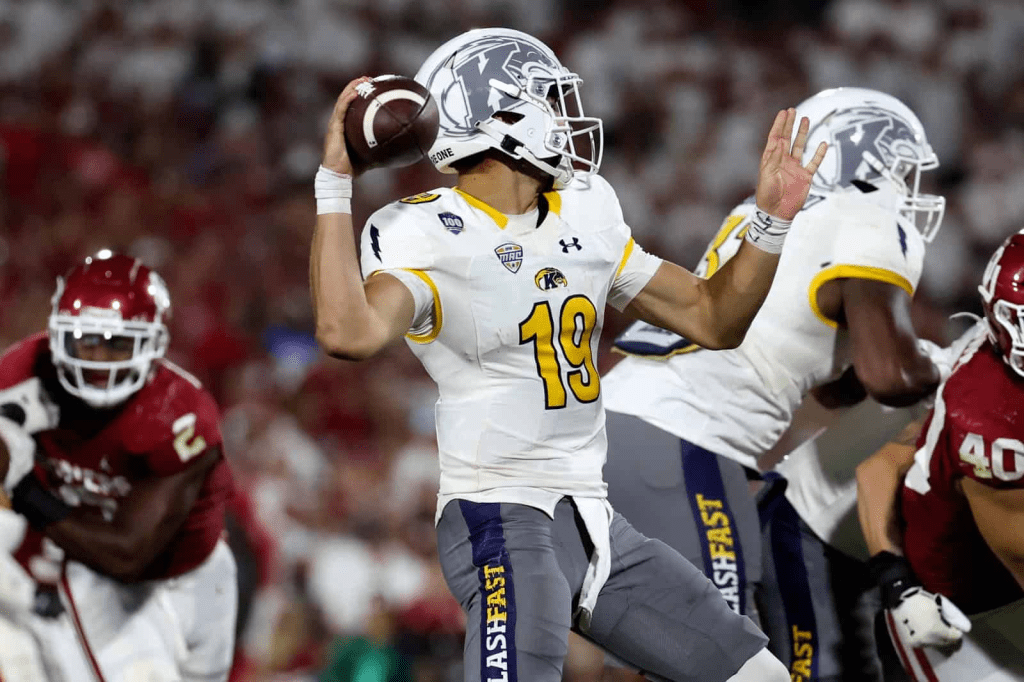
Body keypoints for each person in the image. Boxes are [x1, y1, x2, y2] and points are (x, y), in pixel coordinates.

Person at [309, 27, 826, 682]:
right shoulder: (426, 231)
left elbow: (713, 318)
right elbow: (347, 333)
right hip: (498, 514)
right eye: (544, 100)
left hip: (594, 520)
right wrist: (335, 184)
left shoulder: (585, 209)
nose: (561, 117)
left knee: (758, 676)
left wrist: (771, 222)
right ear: (495, 120)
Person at [601, 87, 947, 681]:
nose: (906, 188)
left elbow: (835, 384)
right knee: (733, 664)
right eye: (898, 168)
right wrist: (949, 361)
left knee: (663, 659)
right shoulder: (865, 217)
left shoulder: (768, 212)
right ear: (863, 160)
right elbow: (890, 375)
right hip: (683, 444)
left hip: (618, 425)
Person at [0, 251, 237, 682]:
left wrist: (22, 487)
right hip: (92, 570)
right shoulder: (23, 371)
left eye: (116, 343)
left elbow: (130, 553)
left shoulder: (178, 412)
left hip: (191, 572)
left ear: (154, 343)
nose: (97, 361)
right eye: (85, 340)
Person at [856, 230, 1024, 682]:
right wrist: (898, 584)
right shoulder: (985, 414)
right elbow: (878, 467)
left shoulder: (979, 360)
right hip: (958, 614)